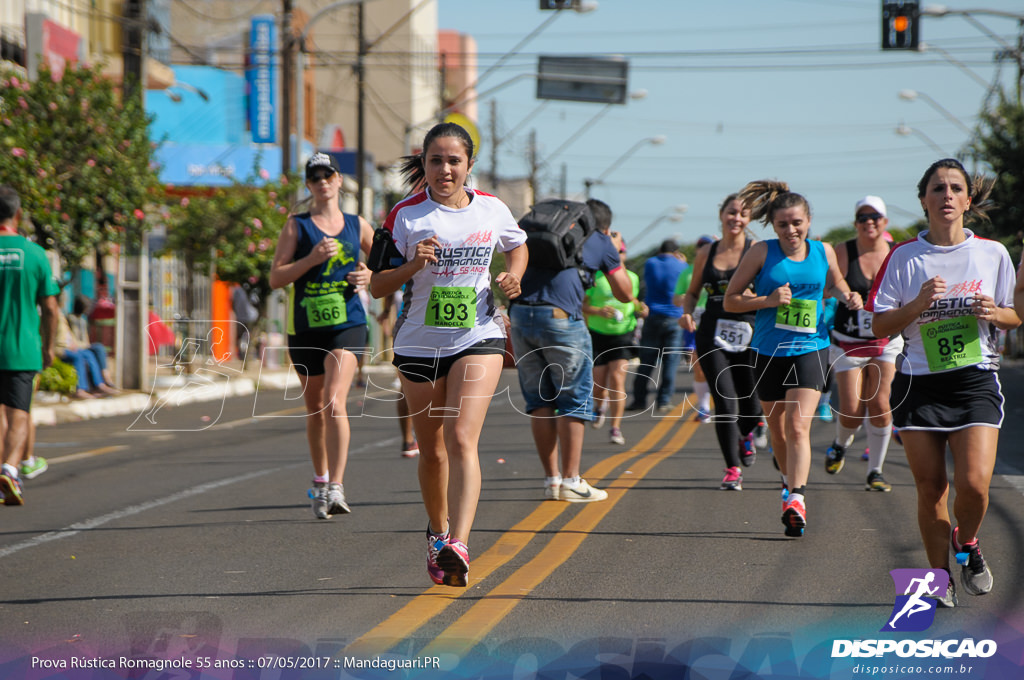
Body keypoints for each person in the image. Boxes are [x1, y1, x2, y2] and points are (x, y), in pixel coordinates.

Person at [369, 122, 527, 587]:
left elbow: (518, 248)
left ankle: (459, 542)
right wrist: (414, 263)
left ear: (469, 166)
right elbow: (378, 284)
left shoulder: (493, 210)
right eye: (435, 160)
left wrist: (513, 277)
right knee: (432, 449)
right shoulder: (404, 215)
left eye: (454, 160)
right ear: (423, 165)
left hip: (478, 336)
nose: (445, 169)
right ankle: (437, 534)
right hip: (418, 343)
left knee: (461, 438)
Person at [871, 158, 1019, 607]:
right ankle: (938, 577)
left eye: (956, 188)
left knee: (974, 485)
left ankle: (968, 542)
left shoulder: (991, 253)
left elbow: (1015, 315)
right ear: (924, 201)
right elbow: (880, 326)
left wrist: (996, 314)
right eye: (938, 188)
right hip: (919, 384)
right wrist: (917, 304)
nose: (947, 195)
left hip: (974, 380)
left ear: (968, 200)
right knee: (931, 487)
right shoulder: (904, 257)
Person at [724, 180, 862, 537]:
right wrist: (766, 301)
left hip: (811, 347)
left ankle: (796, 497)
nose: (791, 230)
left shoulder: (823, 251)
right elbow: (731, 300)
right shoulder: (760, 252)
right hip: (769, 351)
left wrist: (849, 296)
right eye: (783, 224)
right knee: (778, 432)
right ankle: (789, 484)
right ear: (773, 225)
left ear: (809, 220)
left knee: (798, 426)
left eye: (797, 222)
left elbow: (837, 282)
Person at [269, 153, 373, 520]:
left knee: (334, 401)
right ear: (309, 185)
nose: (322, 182)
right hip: (306, 328)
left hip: (348, 324)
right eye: (315, 178)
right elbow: (276, 278)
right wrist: (311, 259)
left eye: (328, 175)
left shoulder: (357, 225)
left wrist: (368, 276)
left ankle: (337, 487)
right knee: (315, 409)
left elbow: (386, 265)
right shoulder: (297, 227)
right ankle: (320, 479)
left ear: (339, 180)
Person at [511, 198, 635, 504]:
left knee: (539, 400)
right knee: (574, 398)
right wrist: (611, 252)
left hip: (520, 316)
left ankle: (551, 480)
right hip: (561, 320)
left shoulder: (543, 229)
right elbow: (624, 292)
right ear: (603, 224)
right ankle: (571, 480)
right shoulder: (600, 239)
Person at [679, 196, 765, 491]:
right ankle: (732, 468)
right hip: (712, 330)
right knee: (725, 400)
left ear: (749, 219)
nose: (736, 218)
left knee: (753, 405)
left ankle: (745, 434)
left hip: (751, 332)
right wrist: (687, 312)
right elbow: (691, 292)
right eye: (731, 212)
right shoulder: (707, 251)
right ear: (721, 215)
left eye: (742, 214)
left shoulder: (758, 251)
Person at [824, 196, 904, 492]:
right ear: (855, 223)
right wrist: (845, 295)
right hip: (849, 341)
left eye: (875, 217)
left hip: (886, 340)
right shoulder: (844, 250)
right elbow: (829, 284)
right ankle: (840, 444)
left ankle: (876, 471)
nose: (869, 222)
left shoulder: (897, 252)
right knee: (852, 409)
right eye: (862, 218)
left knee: (881, 403)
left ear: (884, 222)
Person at [0, 185, 60, 505]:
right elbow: (50, 308)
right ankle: (10, 469)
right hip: (22, 348)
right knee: (19, 413)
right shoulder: (34, 254)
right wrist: (49, 347)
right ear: (18, 214)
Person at [583, 204, 645, 446]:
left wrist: (641, 307)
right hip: (598, 333)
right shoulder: (596, 277)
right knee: (599, 384)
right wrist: (598, 310)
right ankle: (600, 405)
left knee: (618, 379)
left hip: (623, 334)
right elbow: (582, 304)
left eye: (623, 253)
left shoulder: (633, 278)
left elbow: (633, 300)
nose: (620, 257)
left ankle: (616, 428)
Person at [629, 239, 688, 412]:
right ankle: (663, 401)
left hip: (652, 315)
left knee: (646, 361)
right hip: (674, 317)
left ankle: (639, 400)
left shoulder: (650, 263)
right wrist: (682, 262)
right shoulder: (681, 266)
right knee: (670, 362)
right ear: (676, 252)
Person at [57, 296, 119, 399]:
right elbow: (69, 338)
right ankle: (97, 384)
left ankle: (104, 380)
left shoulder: (82, 320)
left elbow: (79, 337)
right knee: (90, 353)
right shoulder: (70, 319)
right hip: (74, 346)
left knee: (99, 348)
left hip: (79, 345)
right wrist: (82, 345)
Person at [232, 284, 259, 356]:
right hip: (251, 317)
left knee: (241, 336)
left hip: (242, 316)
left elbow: (233, 303)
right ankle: (249, 354)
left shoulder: (237, 290)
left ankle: (242, 354)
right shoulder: (252, 290)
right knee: (250, 336)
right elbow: (256, 302)